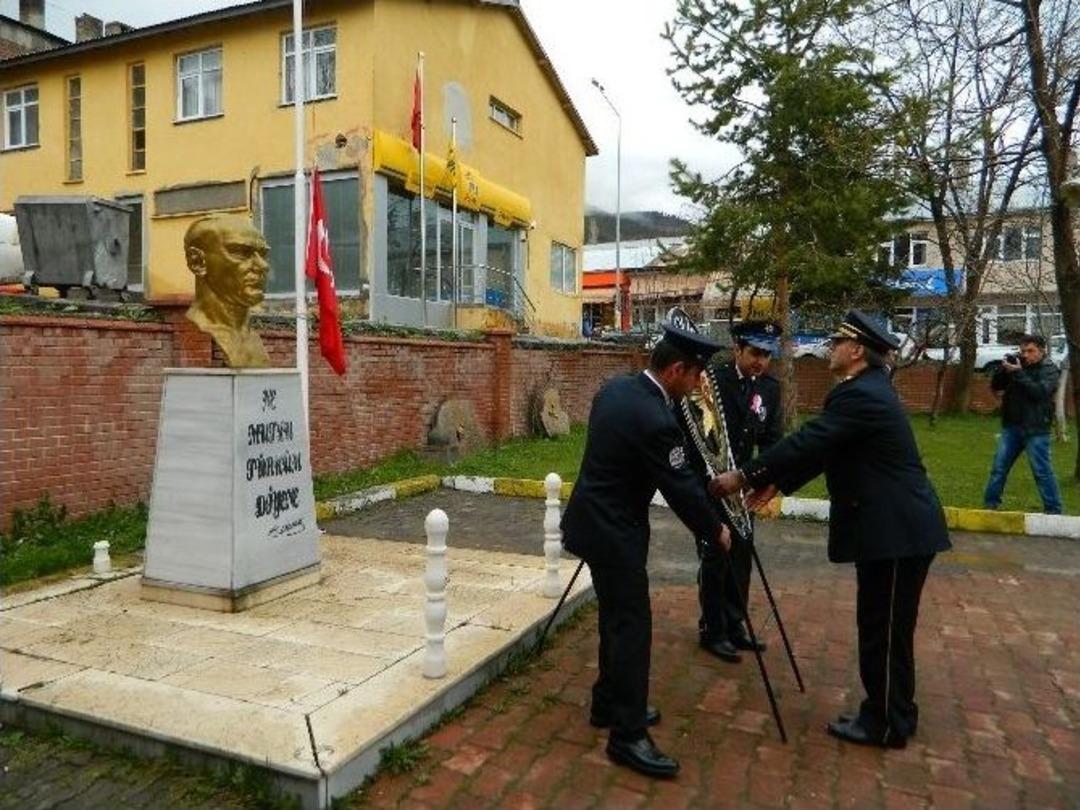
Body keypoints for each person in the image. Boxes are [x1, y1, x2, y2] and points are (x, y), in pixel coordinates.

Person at [711, 310, 951, 749]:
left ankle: (885, 722)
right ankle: (895, 711)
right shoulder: (865, 391)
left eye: (838, 341)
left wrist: (744, 476)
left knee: (885, 629)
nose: (830, 348)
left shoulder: (862, 395)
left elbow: (809, 441)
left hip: (897, 533)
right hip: (894, 531)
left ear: (857, 351)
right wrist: (777, 482)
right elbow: (827, 452)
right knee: (884, 626)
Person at [562, 324, 731, 779]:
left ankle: (607, 703)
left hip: (591, 523)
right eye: (695, 376)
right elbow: (678, 487)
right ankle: (627, 734)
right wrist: (716, 529)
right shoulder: (655, 416)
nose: (697, 385)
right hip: (615, 533)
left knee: (614, 618)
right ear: (676, 369)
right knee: (632, 627)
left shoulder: (618, 389)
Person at [679, 319, 782, 664]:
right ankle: (713, 629)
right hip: (709, 487)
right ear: (737, 348)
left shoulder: (768, 388)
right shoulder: (711, 382)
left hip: (743, 491)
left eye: (767, 355)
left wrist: (767, 478)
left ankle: (735, 624)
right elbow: (692, 433)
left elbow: (771, 440)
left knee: (741, 555)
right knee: (715, 556)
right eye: (754, 352)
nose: (761, 361)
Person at [982, 334, 1063, 514]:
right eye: (1023, 351)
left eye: (1030, 351)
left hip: (1036, 428)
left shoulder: (1050, 369)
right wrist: (1004, 370)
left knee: (1042, 472)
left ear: (1042, 351)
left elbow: (1039, 393)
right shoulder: (1018, 366)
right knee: (999, 468)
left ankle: (1054, 511)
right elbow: (996, 385)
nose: (1026, 355)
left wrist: (1018, 373)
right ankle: (990, 505)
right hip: (1012, 426)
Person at [184, 214, 272, 368]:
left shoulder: (252, 339)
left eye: (263, 254)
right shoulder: (197, 330)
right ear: (197, 262)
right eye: (241, 252)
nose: (263, 265)